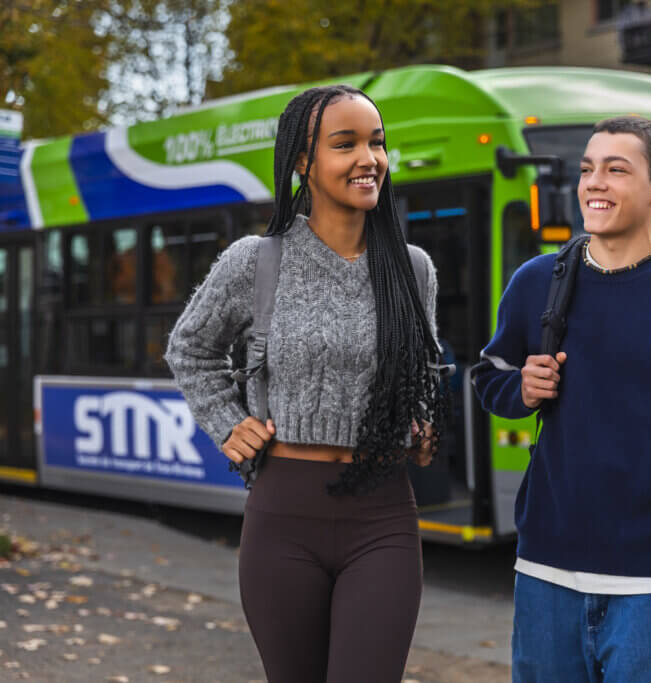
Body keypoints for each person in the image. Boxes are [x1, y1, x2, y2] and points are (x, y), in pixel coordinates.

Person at [165, 84, 447, 683]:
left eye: (377, 143)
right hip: (283, 512)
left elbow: (420, 370)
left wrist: (421, 422)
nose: (368, 158)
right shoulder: (256, 260)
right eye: (345, 144)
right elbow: (190, 349)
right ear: (302, 161)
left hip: (384, 513)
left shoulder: (414, 269)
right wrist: (226, 422)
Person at [472, 116, 651, 682]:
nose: (595, 182)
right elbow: (488, 375)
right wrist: (520, 387)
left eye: (617, 170)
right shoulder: (535, 282)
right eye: (588, 168)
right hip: (545, 574)